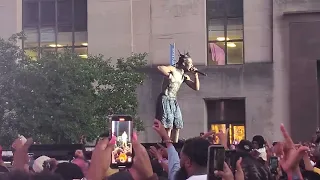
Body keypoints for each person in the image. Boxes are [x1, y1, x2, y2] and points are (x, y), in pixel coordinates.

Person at [156, 52, 200, 142]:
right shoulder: (173, 69)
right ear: (184, 63)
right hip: (166, 98)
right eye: (190, 63)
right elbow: (159, 67)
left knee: (177, 124)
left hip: (173, 100)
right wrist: (169, 75)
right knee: (168, 125)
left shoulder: (184, 76)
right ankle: (166, 144)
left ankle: (175, 145)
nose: (192, 65)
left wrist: (195, 75)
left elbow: (196, 87)